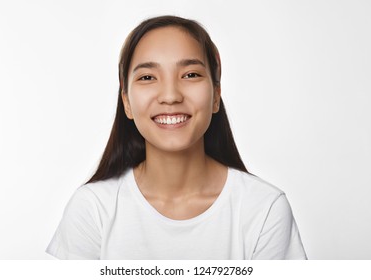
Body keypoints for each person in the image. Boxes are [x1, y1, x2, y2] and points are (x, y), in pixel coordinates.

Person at [46, 15, 307, 260]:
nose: (170, 95)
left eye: (190, 74)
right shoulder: (93, 209)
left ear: (216, 93)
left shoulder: (263, 209)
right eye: (148, 77)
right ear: (126, 101)